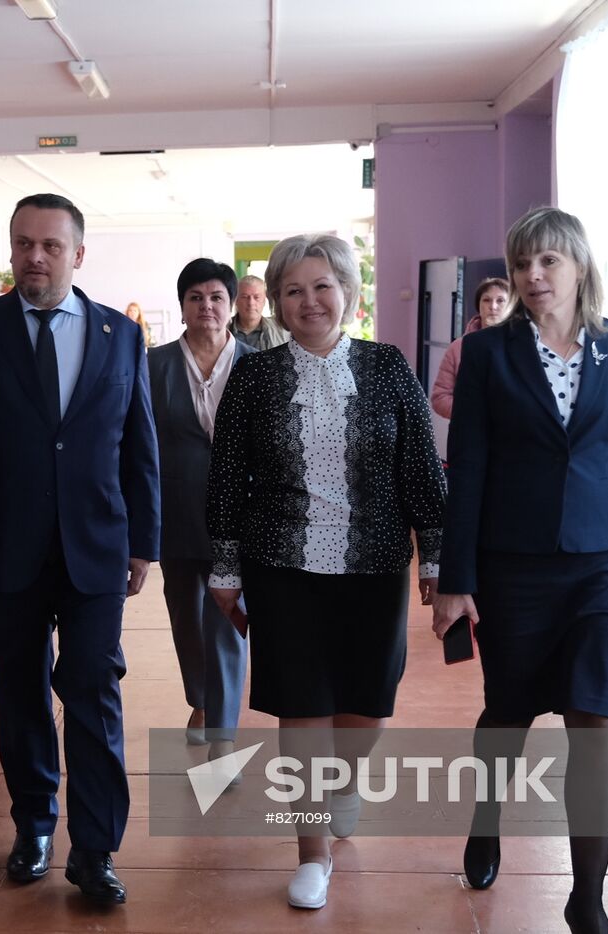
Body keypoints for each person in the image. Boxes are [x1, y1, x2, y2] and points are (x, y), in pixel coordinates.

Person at [432, 207, 608, 934]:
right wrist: (455, 577)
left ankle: (587, 897)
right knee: (508, 712)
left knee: (595, 723)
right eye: (523, 264)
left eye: (549, 263)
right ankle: (486, 816)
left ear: (579, 267)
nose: (535, 276)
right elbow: (467, 468)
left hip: (607, 564)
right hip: (515, 568)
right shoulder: (487, 355)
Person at [0, 192, 160, 905]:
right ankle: (32, 825)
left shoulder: (120, 335)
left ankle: (94, 849)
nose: (35, 256)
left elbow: (137, 444)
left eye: (51, 246)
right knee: (20, 691)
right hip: (2, 549)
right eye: (24, 243)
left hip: (95, 547)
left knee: (93, 689)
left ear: (77, 254)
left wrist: (144, 540)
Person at [206, 233, 444, 911]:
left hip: (373, 562)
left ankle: (345, 785)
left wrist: (437, 556)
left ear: (349, 292)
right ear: (277, 302)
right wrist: (224, 569)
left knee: (367, 702)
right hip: (281, 562)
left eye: (322, 286)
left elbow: (421, 472)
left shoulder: (388, 367)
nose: (309, 301)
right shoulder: (254, 375)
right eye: (293, 290)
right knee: (301, 706)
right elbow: (226, 477)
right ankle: (312, 853)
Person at [147, 258, 252, 759]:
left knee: (230, 619)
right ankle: (202, 699)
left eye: (215, 297)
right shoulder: (154, 365)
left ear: (231, 306)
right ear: (182, 305)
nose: (206, 306)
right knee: (185, 617)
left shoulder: (258, 365)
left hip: (241, 517)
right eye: (195, 297)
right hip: (175, 513)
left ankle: (223, 734)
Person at [430, 277, 509, 418]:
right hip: (468, 433)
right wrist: (472, 413)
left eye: (500, 300)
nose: (493, 306)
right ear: (478, 306)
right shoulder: (458, 347)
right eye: (486, 300)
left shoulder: (522, 346)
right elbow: (439, 397)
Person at [229, 274, 289, 350]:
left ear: (264, 301)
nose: (251, 303)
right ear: (235, 300)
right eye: (245, 297)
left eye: (256, 297)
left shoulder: (281, 332)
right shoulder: (222, 331)